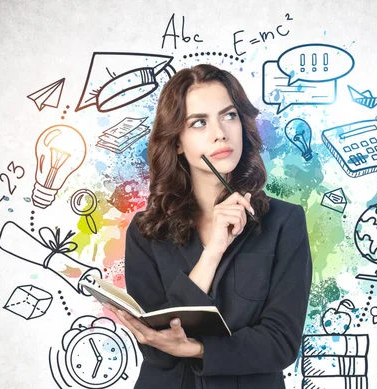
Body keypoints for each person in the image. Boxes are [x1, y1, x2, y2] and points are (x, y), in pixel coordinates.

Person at [107, 64, 313, 389]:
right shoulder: (145, 231)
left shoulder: (285, 223)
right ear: (177, 142)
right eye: (199, 122)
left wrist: (201, 349)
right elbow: (158, 347)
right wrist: (213, 251)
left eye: (229, 115)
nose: (220, 132)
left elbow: (281, 343)